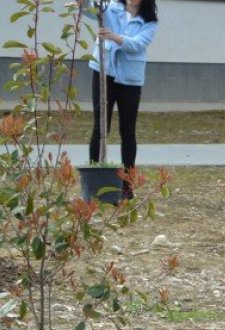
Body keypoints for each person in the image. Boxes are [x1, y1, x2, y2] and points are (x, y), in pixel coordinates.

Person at [83, 0, 159, 198]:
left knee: (128, 131)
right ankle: (95, 185)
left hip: (130, 80)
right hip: (104, 72)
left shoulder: (149, 22)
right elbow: (91, 11)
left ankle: (127, 186)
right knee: (100, 127)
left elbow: (137, 44)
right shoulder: (110, 7)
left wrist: (115, 37)